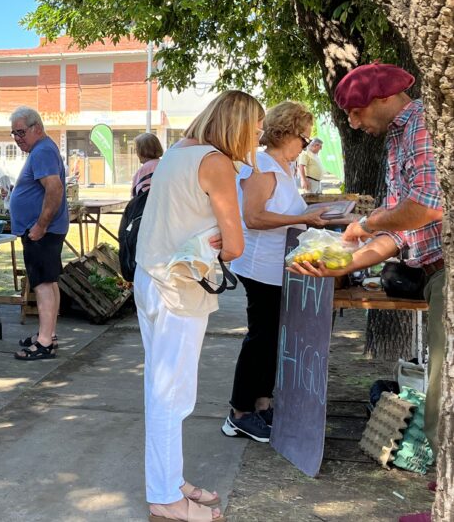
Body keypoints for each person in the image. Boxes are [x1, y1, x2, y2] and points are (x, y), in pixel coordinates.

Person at [289, 64, 442, 522]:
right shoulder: (397, 137)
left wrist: (367, 224)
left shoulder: (421, 127)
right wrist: (342, 263)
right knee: (440, 386)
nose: (352, 123)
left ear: (378, 98)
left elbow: (424, 210)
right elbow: (402, 234)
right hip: (431, 268)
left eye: (353, 112)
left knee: (442, 385)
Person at [135, 90, 264, 522]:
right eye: (256, 128)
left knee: (161, 387)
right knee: (171, 394)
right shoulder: (217, 163)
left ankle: (169, 482)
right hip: (181, 287)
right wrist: (218, 243)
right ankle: (166, 499)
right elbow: (236, 246)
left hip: (151, 277)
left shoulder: (177, 151)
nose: (259, 136)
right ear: (239, 126)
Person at [222, 102, 330, 443]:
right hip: (259, 267)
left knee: (269, 339)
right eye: (303, 137)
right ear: (286, 133)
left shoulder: (280, 165)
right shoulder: (263, 165)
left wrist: (311, 214)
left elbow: (281, 209)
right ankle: (239, 413)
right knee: (260, 339)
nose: (305, 144)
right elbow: (253, 217)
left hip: (275, 266)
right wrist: (302, 219)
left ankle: (262, 403)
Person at [9, 107, 69, 360]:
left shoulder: (42, 150)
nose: (18, 138)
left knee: (43, 284)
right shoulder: (42, 149)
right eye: (14, 133)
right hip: (44, 230)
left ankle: (44, 342)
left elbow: (54, 189)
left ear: (37, 127)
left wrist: (41, 225)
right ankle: (49, 334)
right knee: (49, 282)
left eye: (21, 132)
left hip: (42, 231)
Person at [131, 132, 164, 196]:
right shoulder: (166, 165)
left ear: (142, 150)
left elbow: (136, 196)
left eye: (136, 150)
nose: (136, 153)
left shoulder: (144, 170)